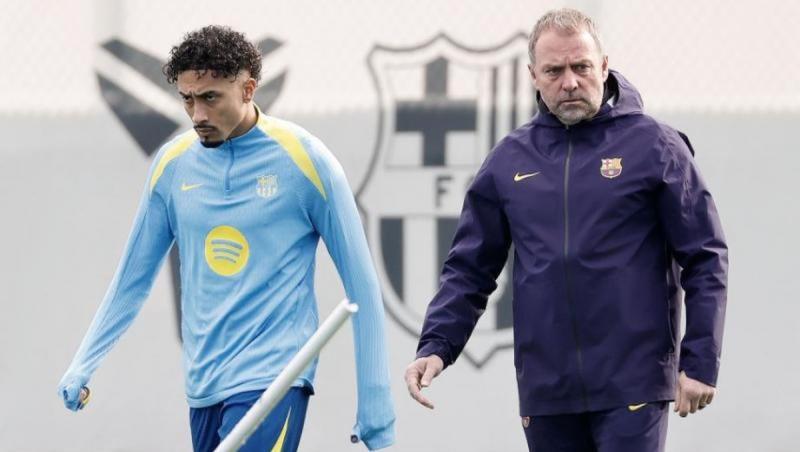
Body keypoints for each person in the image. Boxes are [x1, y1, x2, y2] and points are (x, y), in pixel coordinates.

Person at [58, 25, 395, 452]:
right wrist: (84, 362)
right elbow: (131, 279)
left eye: (210, 98)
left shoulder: (306, 161)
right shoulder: (172, 166)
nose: (197, 114)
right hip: (203, 388)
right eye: (187, 99)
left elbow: (362, 285)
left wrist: (376, 408)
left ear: (248, 89)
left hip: (275, 378)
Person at [404, 8, 727, 452]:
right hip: (547, 391)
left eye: (581, 67)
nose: (570, 82)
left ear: (604, 67)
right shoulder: (509, 160)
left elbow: (705, 257)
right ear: (533, 76)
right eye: (554, 71)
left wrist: (700, 360)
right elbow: (469, 269)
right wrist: (436, 345)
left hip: (633, 383)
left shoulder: (656, 146)